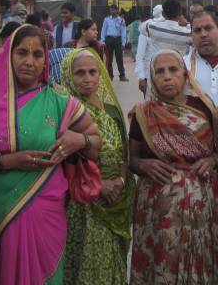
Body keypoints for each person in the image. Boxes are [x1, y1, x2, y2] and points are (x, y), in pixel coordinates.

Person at [0, 24, 101, 285]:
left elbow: (96, 144)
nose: (29, 61)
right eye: (22, 53)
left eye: (37, 54)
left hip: (46, 211)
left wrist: (79, 139)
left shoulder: (60, 102)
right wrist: (6, 161)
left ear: (45, 60)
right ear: (8, 55)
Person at [128, 49, 218, 284]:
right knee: (162, 263)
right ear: (152, 78)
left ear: (185, 74)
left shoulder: (204, 108)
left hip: (201, 205)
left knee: (199, 261)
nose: (167, 76)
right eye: (159, 71)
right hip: (158, 209)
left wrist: (211, 160)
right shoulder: (143, 114)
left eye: (173, 70)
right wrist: (143, 164)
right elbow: (131, 160)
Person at [61, 49, 135, 285]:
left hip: (116, 196)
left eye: (93, 72)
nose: (87, 78)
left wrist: (120, 182)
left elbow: (124, 153)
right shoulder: (65, 112)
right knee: (88, 265)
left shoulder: (111, 110)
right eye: (79, 73)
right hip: (83, 203)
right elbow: (65, 162)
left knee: (114, 260)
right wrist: (98, 185)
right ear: (68, 76)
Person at [136, 0, 192, 96]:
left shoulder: (153, 27)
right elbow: (194, 34)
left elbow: (142, 27)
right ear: (180, 14)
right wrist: (186, 24)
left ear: (163, 13)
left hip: (157, 73)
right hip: (177, 74)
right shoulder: (185, 33)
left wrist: (161, 18)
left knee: (154, 105)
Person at [101, 5, 128, 82]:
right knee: (109, 59)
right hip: (109, 39)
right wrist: (102, 41)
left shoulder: (121, 20)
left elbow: (123, 32)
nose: (112, 11)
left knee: (119, 58)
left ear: (117, 10)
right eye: (111, 10)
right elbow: (103, 30)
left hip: (118, 40)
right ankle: (110, 75)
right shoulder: (106, 20)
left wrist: (123, 43)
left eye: (113, 10)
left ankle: (122, 75)